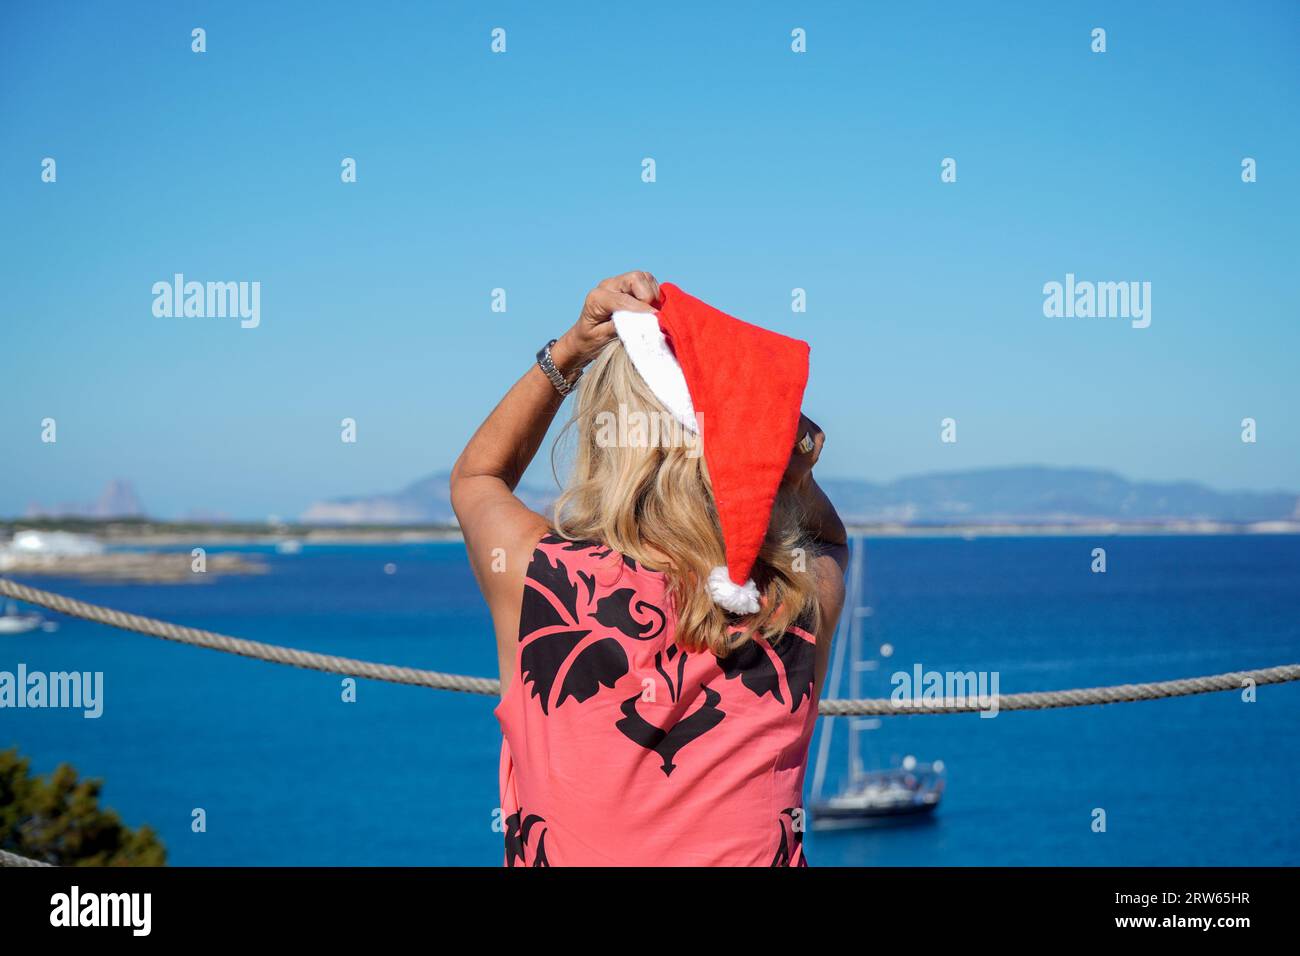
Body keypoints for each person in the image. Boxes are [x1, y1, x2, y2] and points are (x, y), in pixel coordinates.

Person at [451, 270, 848, 865]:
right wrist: (784, 457)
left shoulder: (544, 583)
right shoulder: (796, 599)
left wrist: (569, 352)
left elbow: (478, 478)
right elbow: (828, 538)